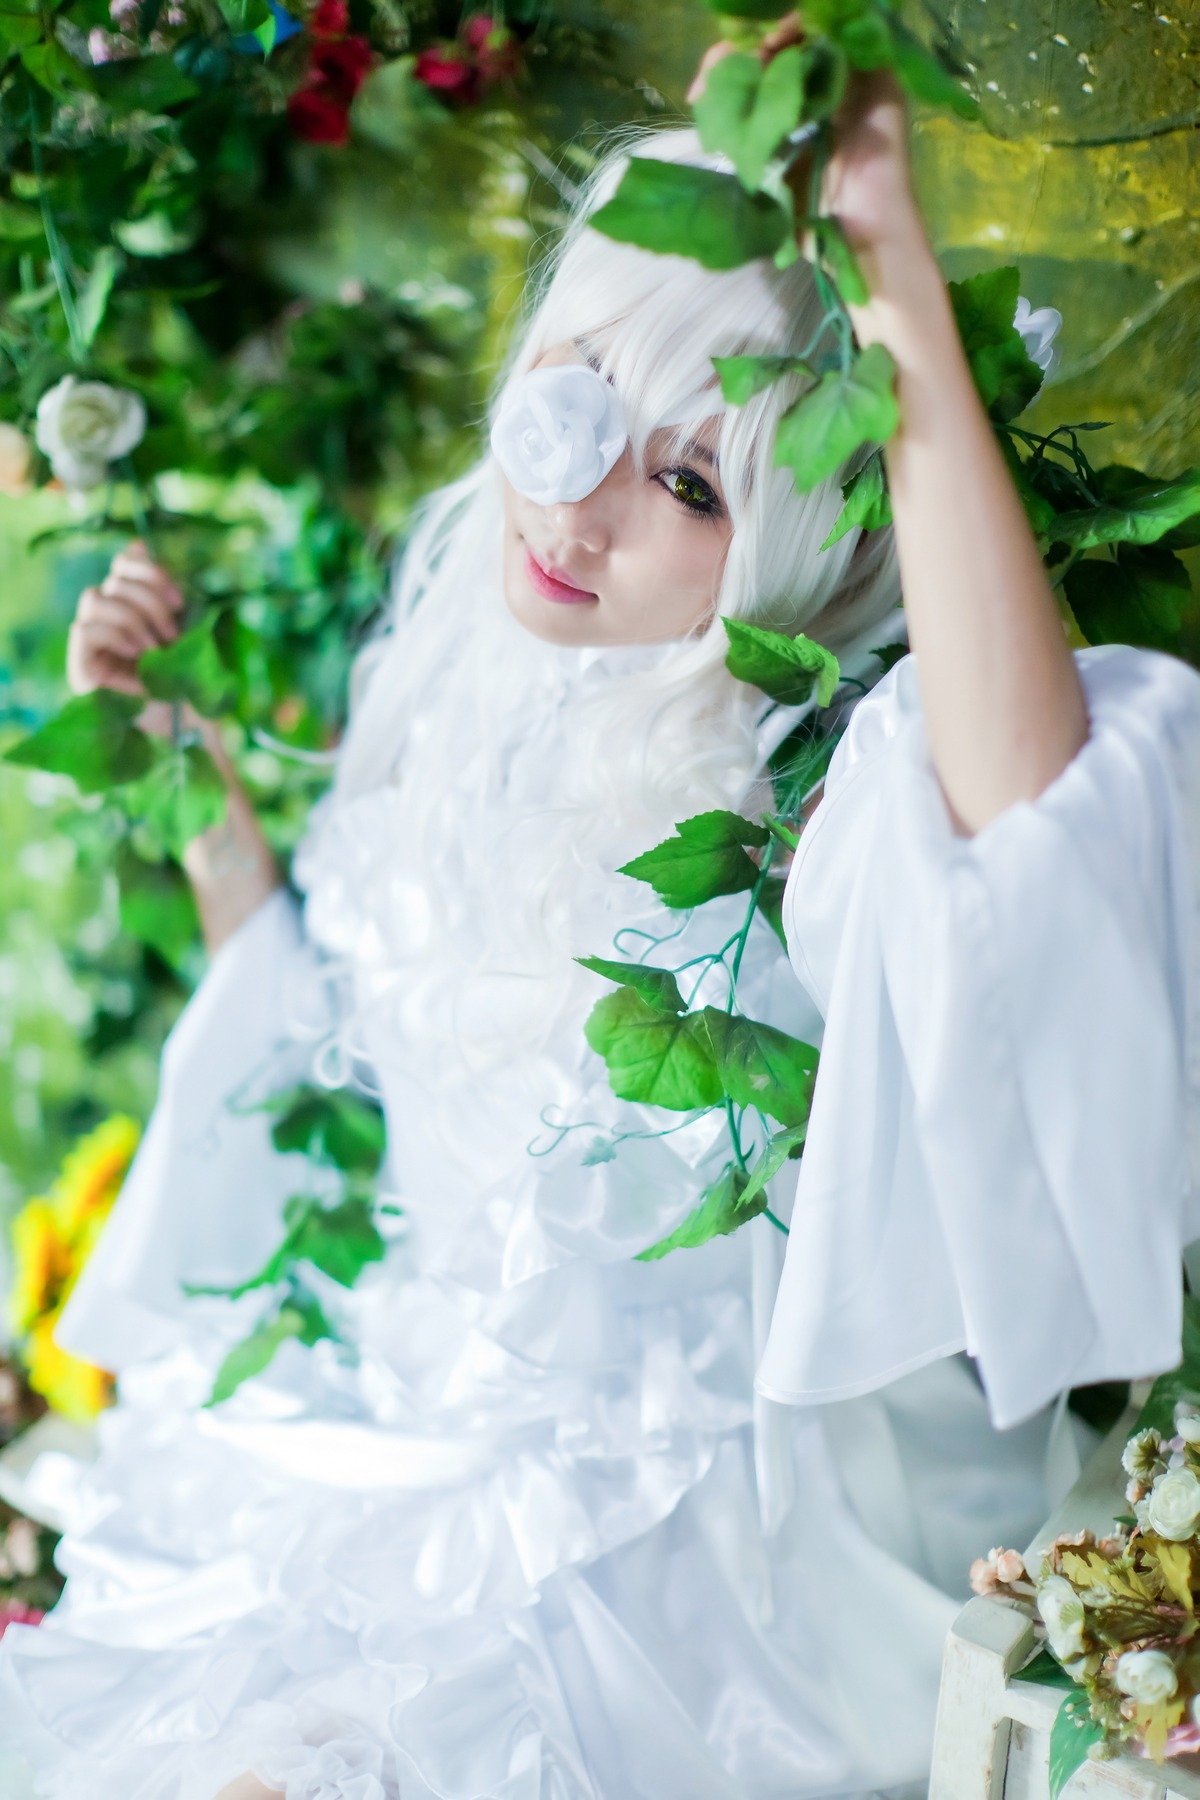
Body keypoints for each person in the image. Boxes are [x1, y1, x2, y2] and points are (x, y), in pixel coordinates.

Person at [4, 70, 1200, 1800]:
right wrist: (197, 785)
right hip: (410, 1409)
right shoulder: (482, 663)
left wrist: (891, 283)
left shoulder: (808, 774)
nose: (579, 513)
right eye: (573, 400)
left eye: (699, 488)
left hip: (698, 1514)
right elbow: (355, 1031)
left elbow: (1031, 832)